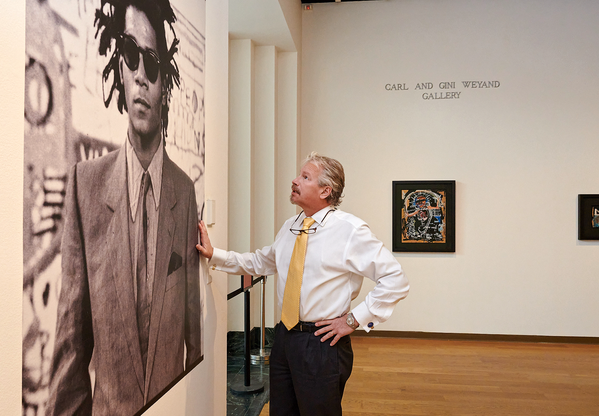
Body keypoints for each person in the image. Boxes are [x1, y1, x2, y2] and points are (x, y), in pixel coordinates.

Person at [46, 1, 201, 415]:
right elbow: (71, 347)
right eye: (131, 56)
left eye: (152, 64)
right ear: (119, 67)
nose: (140, 77)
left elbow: (195, 336)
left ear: (165, 83)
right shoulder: (86, 186)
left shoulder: (184, 193)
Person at [197, 152, 409, 416]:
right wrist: (214, 254)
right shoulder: (291, 226)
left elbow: (395, 279)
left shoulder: (350, 230)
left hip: (321, 343)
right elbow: (261, 262)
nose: (295, 181)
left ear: (325, 190)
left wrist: (354, 320)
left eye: (305, 177)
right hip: (285, 339)